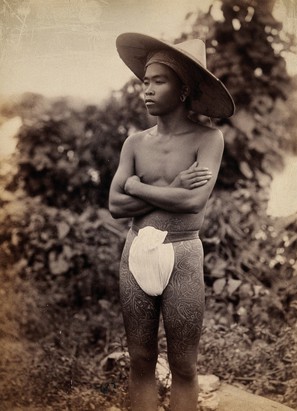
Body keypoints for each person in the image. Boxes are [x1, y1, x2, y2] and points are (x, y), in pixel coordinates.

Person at [109, 32, 234, 411]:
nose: (146, 90)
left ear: (183, 90)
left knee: (183, 365)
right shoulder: (134, 143)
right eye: (144, 82)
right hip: (135, 252)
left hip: (182, 255)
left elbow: (193, 201)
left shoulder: (208, 139)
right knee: (141, 360)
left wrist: (136, 186)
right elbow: (115, 205)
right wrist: (168, 189)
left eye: (158, 81)